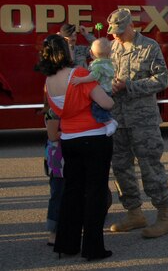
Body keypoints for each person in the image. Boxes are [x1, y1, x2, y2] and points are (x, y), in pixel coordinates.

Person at [36, 34, 114, 261]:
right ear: (63, 52)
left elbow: (54, 112)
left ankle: (66, 244)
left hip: (69, 139)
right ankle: (93, 248)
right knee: (95, 193)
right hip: (94, 137)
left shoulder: (48, 81)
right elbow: (106, 102)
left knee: (72, 192)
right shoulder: (78, 74)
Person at [106, 8, 168, 239]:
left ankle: (164, 217)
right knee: (121, 168)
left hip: (143, 120)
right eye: (112, 31)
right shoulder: (113, 48)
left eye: (118, 31)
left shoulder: (149, 47)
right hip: (118, 119)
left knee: (150, 167)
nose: (114, 35)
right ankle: (134, 213)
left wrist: (130, 86)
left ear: (130, 26)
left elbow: (161, 80)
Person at [71, 37, 118, 137]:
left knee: (96, 109)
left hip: (102, 91)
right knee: (103, 108)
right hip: (108, 90)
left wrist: (80, 80)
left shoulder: (98, 65)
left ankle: (109, 123)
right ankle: (109, 121)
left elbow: (93, 77)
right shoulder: (109, 63)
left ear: (91, 54)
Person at [43, 107, 64, 247]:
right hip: (58, 156)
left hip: (77, 153)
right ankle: (54, 231)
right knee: (59, 192)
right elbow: (52, 135)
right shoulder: (55, 110)